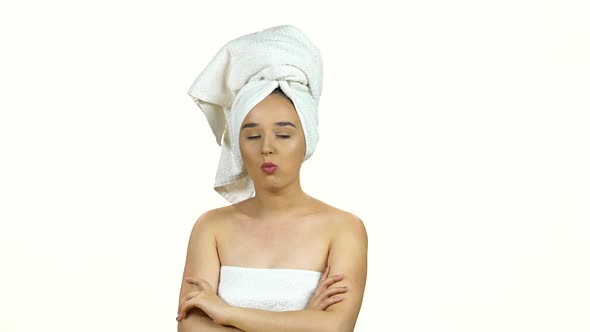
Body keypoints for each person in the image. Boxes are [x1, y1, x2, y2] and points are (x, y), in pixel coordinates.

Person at [176, 25, 368, 332]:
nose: (267, 148)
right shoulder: (210, 227)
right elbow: (192, 329)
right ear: (236, 145)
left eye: (283, 134)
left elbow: (336, 327)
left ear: (308, 138)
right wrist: (304, 321)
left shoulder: (344, 228)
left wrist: (227, 314)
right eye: (252, 135)